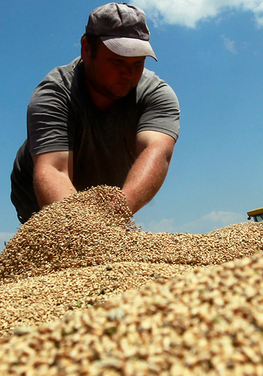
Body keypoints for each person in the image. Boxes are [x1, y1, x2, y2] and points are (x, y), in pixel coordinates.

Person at [10, 2, 180, 224]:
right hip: (35, 197)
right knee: (58, 244)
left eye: (138, 63)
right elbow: (54, 169)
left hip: (108, 194)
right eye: (117, 61)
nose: (129, 74)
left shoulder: (157, 94)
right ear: (87, 49)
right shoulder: (55, 93)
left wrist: (115, 215)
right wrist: (85, 229)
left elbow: (156, 152)